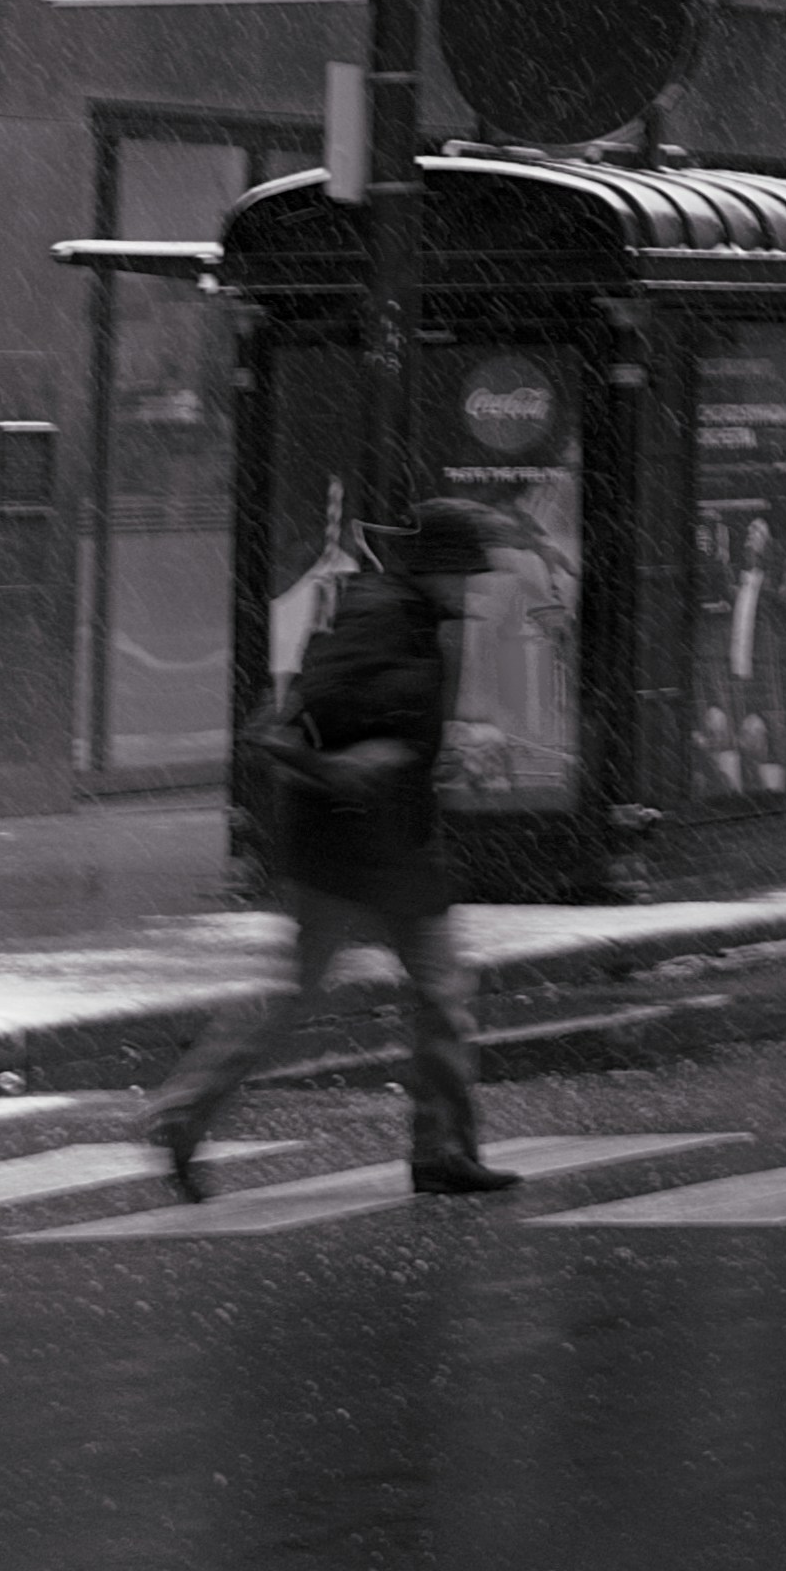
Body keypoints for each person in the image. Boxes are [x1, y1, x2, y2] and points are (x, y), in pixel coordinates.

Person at [143, 504, 518, 1202]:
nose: (470, 591)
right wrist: (356, 763)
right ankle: (184, 1116)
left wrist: (433, 758)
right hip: (347, 846)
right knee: (343, 995)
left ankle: (442, 1151)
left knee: (429, 995)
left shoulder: (415, 621)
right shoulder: (379, 616)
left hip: (391, 844)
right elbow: (291, 723)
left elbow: (391, 720)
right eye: (463, 575)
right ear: (433, 568)